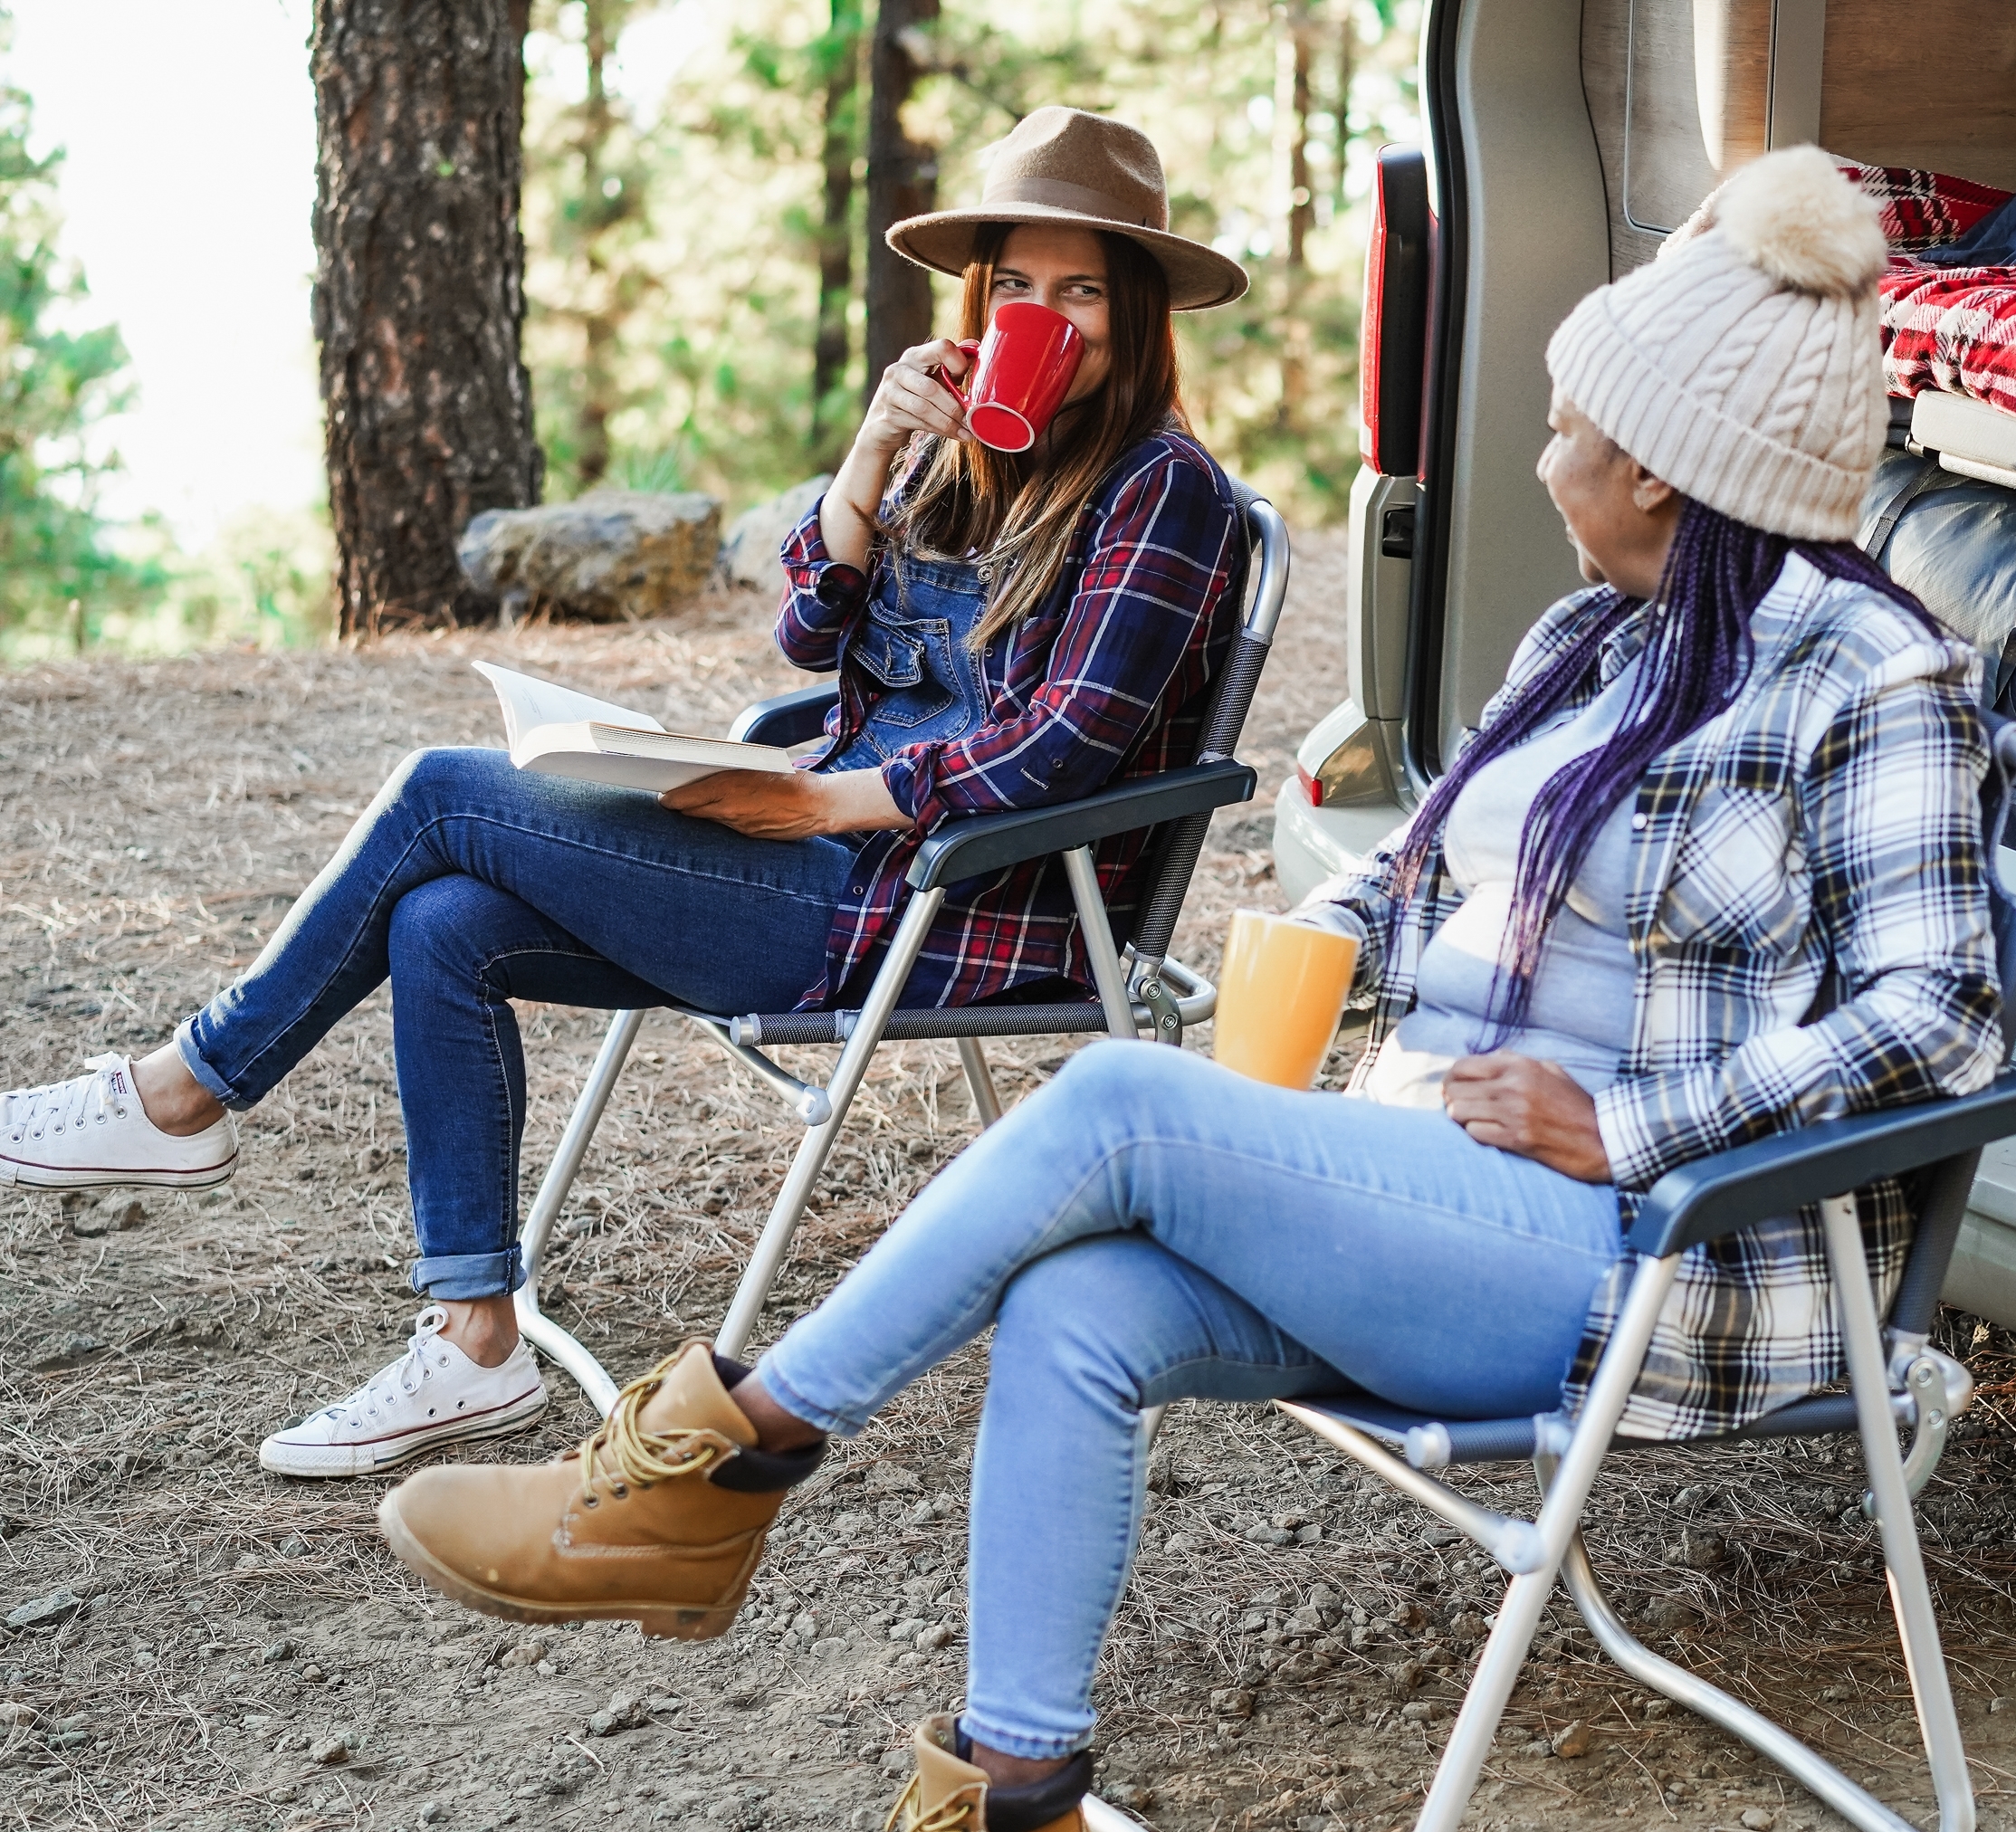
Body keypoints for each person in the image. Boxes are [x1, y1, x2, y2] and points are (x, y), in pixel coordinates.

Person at [373, 146, 2000, 1832]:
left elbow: (1939, 1018)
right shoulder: (1586, 643)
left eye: (1565, 418)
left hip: (1633, 1255)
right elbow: (1404, 888)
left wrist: (1630, 1129)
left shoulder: (1875, 676)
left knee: (1122, 1108)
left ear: (1652, 466)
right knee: (1080, 1307)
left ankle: (708, 1477)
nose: (1540, 442)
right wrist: (1312, 932)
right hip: (1427, 1180)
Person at [0, 109, 1249, 1480]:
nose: (1044, 318)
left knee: (437, 793)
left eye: (1081, 293)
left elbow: (1065, 746)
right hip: (834, 858)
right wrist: (863, 469)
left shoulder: (1162, 490)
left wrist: (821, 807)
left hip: (945, 905)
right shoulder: (963, 452)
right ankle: (474, 1338)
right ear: (977, 298)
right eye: (1017, 286)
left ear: (1136, 315)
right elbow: (812, 639)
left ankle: (186, 1090)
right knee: (447, 922)